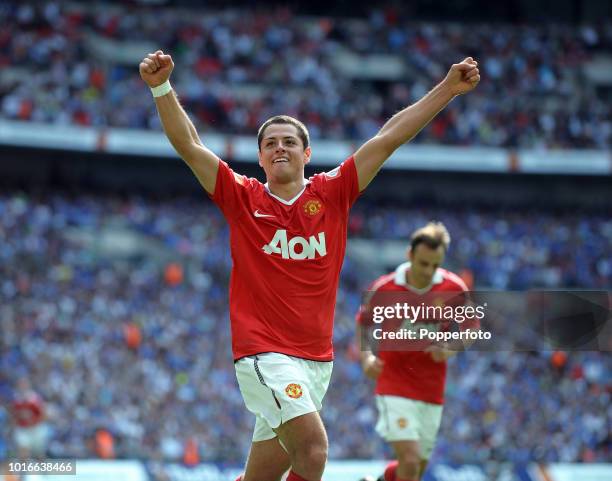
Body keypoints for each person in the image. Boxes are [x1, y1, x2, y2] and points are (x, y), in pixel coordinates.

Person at [139, 49, 480, 481]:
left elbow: (389, 137)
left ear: (306, 152)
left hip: (317, 361)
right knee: (314, 450)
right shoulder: (242, 197)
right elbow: (189, 146)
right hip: (264, 354)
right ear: (260, 159)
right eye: (269, 144)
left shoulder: (334, 192)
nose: (279, 147)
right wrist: (162, 88)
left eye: (289, 142)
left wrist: (448, 87)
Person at [356, 222, 477, 481]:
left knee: (416, 468)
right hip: (394, 382)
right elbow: (363, 324)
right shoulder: (385, 288)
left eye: (436, 264)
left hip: (432, 387)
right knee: (409, 461)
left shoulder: (453, 288)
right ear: (410, 255)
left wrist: (451, 348)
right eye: (424, 264)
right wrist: (366, 356)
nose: (430, 271)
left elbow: (472, 329)